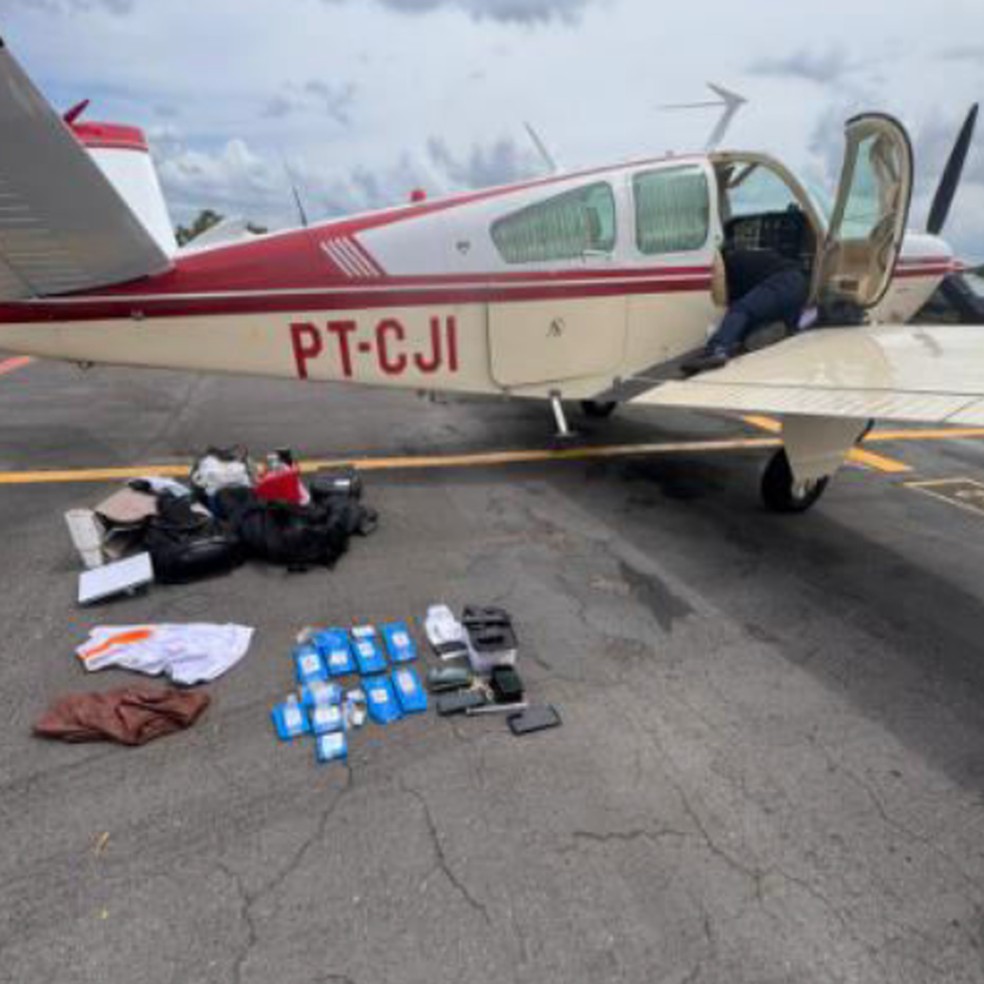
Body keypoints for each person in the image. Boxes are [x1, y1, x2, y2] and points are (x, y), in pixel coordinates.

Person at [681, 246, 810, 376]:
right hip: (799, 288)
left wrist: (722, 332)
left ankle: (717, 350)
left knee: (740, 309)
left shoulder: (731, 264)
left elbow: (736, 307)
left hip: (784, 281)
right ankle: (773, 327)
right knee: (752, 314)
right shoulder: (746, 258)